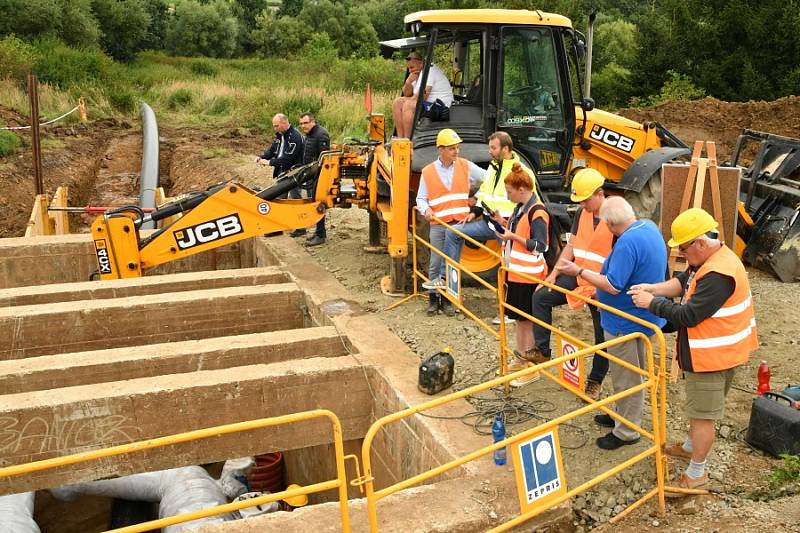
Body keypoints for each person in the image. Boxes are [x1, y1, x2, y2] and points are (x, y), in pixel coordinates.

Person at [628, 208, 758, 492]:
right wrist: (655, 288)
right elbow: (683, 282)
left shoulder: (718, 274)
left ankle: (696, 473)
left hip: (713, 358)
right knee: (698, 408)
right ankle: (690, 447)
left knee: (703, 416)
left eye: (684, 248)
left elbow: (688, 315)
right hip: (712, 353)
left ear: (700, 242)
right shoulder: (710, 259)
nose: (683, 254)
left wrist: (651, 303)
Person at [556, 196, 667, 450]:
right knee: (627, 373)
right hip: (641, 318)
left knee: (627, 376)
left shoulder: (628, 242)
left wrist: (579, 272)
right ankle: (621, 414)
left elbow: (613, 285)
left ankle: (627, 431)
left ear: (609, 223)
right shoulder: (648, 227)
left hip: (626, 323)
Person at [433, 132, 534, 327]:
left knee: (509, 269)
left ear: (505, 149)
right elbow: (486, 194)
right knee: (453, 233)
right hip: (488, 223)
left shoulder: (520, 172)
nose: (489, 151)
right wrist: (475, 211)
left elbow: (529, 202)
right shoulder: (494, 168)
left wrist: (514, 226)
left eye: (493, 148)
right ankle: (450, 288)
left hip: (507, 229)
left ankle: (509, 311)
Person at [530, 168, 612, 400]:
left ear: (599, 193)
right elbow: (571, 246)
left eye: (585, 200)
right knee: (541, 297)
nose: (583, 204)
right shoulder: (582, 214)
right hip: (578, 277)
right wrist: (553, 274)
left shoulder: (615, 217)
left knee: (602, 336)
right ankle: (542, 350)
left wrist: (602, 289)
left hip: (601, 285)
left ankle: (595, 381)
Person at [489, 162, 550, 387]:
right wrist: (502, 223)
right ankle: (520, 360)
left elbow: (540, 245)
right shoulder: (521, 209)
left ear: (522, 190)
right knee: (519, 320)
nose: (507, 195)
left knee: (527, 322)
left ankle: (530, 368)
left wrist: (511, 238)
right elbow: (519, 232)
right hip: (515, 275)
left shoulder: (537, 211)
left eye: (509, 191)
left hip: (528, 277)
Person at [416, 128, 485, 317]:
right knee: (436, 263)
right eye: (452, 148)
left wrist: (476, 198)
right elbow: (421, 198)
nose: (457, 151)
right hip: (439, 224)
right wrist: (427, 210)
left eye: (457, 148)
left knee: (452, 264)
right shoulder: (428, 171)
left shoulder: (466, 166)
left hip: (458, 225)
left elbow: (489, 180)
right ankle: (433, 299)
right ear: (441, 149)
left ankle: (448, 300)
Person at [392, 51, 454, 139]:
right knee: (398, 102)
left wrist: (409, 100)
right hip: (429, 104)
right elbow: (407, 94)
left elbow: (423, 96)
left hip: (441, 107)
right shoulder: (418, 73)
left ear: (421, 63)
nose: (410, 70)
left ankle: (407, 141)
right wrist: (408, 82)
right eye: (409, 68)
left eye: (412, 67)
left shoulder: (429, 70)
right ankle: (400, 138)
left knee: (408, 105)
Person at [295, 112, 330, 245]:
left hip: (319, 176)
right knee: (313, 203)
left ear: (312, 122)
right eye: (301, 123)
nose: (303, 126)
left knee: (318, 204)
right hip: (311, 175)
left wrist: (315, 174)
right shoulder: (311, 135)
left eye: (305, 123)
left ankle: (320, 235)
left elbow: (324, 159)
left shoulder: (321, 135)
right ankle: (318, 232)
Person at [256, 114, 304, 200]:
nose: (275, 129)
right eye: (274, 126)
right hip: (281, 170)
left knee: (295, 196)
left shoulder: (295, 137)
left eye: (276, 126)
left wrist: (270, 162)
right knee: (280, 196)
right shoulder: (280, 135)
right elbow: (272, 150)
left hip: (294, 171)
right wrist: (262, 157)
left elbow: (288, 158)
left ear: (284, 123)